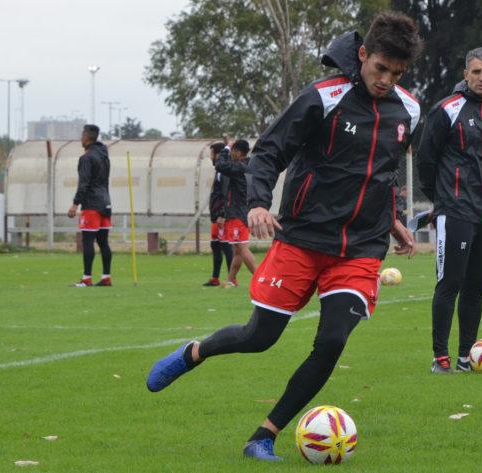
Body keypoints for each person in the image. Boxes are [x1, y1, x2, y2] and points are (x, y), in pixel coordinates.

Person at [146, 11, 422, 462]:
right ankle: (194, 352)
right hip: (302, 239)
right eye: (380, 69)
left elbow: (383, 172)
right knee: (260, 337)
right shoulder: (322, 98)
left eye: (397, 73)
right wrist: (256, 202)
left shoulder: (408, 110)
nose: (386, 81)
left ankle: (264, 435)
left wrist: (391, 219)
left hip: (360, 248)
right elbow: (269, 152)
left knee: (332, 342)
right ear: (363, 54)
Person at [416, 47, 482, 374]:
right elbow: (426, 161)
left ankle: (468, 356)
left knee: (476, 287)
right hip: (454, 211)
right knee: (449, 283)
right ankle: (441, 357)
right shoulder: (446, 110)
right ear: (466, 74)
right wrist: (441, 200)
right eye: (476, 72)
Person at [67, 124, 112, 287]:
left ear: (86, 137)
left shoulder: (86, 158)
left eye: (82, 135)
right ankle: (106, 277)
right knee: (103, 242)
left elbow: (84, 183)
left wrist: (75, 204)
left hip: (92, 204)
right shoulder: (104, 155)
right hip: (106, 203)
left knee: (88, 241)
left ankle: (86, 279)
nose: (81, 138)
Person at [214, 139, 258, 287]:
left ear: (238, 152)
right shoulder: (248, 165)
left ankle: (260, 278)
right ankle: (231, 280)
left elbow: (219, 165)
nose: (230, 154)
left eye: (232, 151)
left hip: (238, 213)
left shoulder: (239, 167)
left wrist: (225, 148)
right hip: (241, 212)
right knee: (237, 250)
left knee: (242, 249)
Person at [203, 142, 233, 287]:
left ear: (218, 154)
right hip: (216, 216)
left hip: (222, 216)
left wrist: (223, 214)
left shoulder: (224, 172)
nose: (210, 157)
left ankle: (231, 279)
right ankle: (215, 278)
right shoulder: (219, 171)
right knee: (215, 245)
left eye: (212, 154)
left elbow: (226, 194)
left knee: (226, 246)